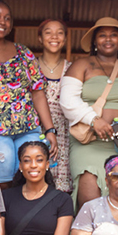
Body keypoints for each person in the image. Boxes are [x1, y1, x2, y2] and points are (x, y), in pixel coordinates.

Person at [60, 17, 118, 208]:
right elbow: (67, 100)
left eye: (113, 35)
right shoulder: (81, 65)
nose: (108, 39)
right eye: (102, 35)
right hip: (89, 141)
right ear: (94, 41)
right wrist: (93, 120)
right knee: (89, 198)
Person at [0, 0, 58, 187]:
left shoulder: (23, 52)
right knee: (3, 182)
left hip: (27, 128)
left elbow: (38, 92)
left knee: (34, 178)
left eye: (7, 18)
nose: (3, 22)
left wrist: (49, 130)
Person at [37, 19, 73, 193]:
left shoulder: (73, 69)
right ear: (40, 38)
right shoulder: (31, 67)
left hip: (65, 133)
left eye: (60, 32)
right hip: (36, 130)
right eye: (48, 32)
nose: (54, 37)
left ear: (65, 39)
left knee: (62, 187)